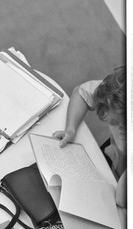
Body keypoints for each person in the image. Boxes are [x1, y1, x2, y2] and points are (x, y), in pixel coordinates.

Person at [53, 66, 126, 208]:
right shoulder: (116, 92)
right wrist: (70, 129)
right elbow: (81, 93)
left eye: (116, 122)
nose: (106, 119)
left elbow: (121, 200)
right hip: (115, 156)